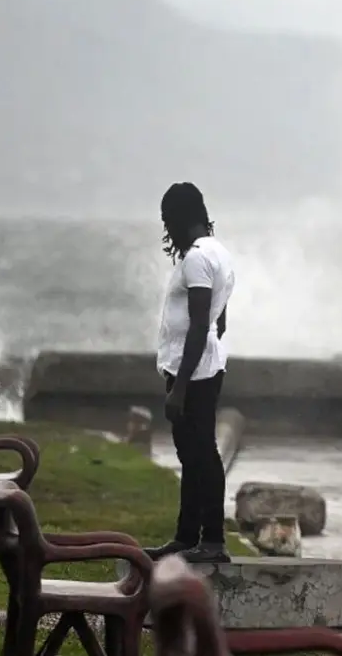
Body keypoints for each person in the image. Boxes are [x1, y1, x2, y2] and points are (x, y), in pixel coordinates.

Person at [144, 182, 236, 564]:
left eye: (168, 220)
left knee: (202, 453)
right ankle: (186, 537)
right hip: (204, 366)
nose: (167, 229)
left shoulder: (197, 258)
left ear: (182, 218)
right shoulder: (218, 252)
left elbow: (201, 324)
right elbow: (220, 318)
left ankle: (211, 540)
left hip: (193, 372)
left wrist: (179, 388)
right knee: (192, 453)